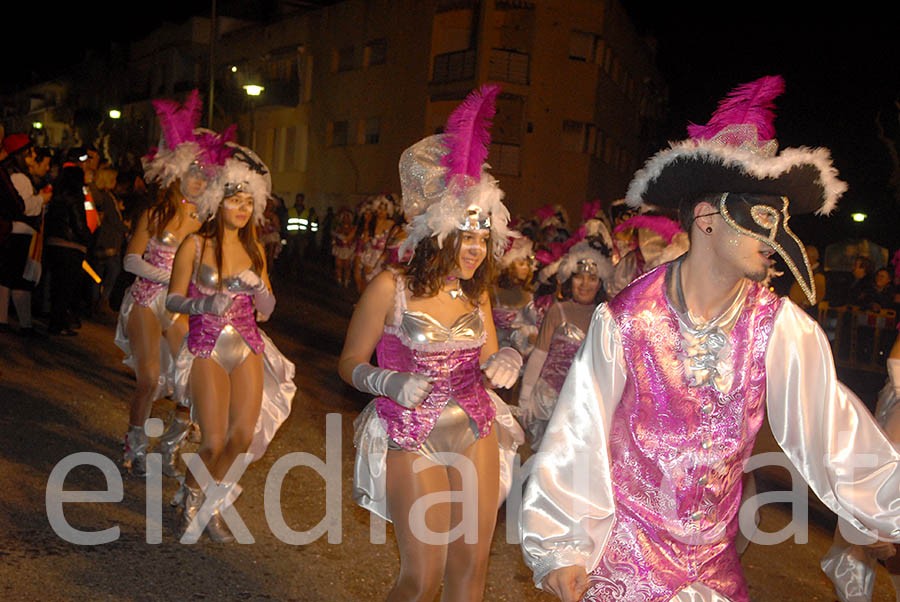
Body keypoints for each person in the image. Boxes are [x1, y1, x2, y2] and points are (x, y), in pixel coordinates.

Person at [520, 75, 900, 602]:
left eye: (781, 219)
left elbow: (832, 432)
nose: (776, 240)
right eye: (761, 217)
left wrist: (892, 504)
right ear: (706, 219)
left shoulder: (780, 328)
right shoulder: (626, 321)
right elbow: (576, 434)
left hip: (712, 566)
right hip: (626, 563)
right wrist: (562, 546)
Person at [340, 85, 524, 600]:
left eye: (483, 237)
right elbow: (348, 362)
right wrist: (386, 379)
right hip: (411, 435)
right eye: (467, 236)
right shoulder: (389, 288)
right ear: (437, 234)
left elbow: (489, 357)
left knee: (472, 567)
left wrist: (507, 355)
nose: (476, 248)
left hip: (475, 428)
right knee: (422, 577)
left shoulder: (477, 292)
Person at [167, 142, 295, 542]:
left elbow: (268, 311)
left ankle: (210, 504)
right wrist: (204, 301)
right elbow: (172, 299)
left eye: (247, 202)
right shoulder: (195, 245)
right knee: (214, 440)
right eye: (233, 200)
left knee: (242, 437)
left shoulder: (254, 249)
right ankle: (190, 494)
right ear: (216, 201)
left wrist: (259, 290)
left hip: (247, 347)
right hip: (206, 346)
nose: (241, 209)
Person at [115, 90, 230, 477]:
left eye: (204, 175)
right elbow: (131, 259)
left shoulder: (205, 225)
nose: (198, 181)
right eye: (193, 173)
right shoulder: (154, 212)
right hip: (147, 300)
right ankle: (133, 443)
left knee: (189, 381)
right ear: (178, 172)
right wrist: (169, 276)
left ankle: (170, 445)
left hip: (182, 306)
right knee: (149, 379)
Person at [516, 240, 611, 449]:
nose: (585, 284)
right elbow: (539, 355)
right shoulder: (556, 311)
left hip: (585, 405)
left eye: (592, 278)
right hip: (549, 402)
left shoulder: (605, 316)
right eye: (579, 277)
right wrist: (525, 398)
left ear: (600, 283)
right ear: (570, 279)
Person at [0, 134, 52, 336]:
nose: (33, 157)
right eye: (30, 153)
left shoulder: (15, 174)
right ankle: (19, 323)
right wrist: (41, 199)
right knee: (16, 278)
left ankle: (16, 322)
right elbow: (24, 208)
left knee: (11, 277)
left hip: (19, 232)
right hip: (19, 232)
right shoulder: (19, 177)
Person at [43, 161, 91, 336]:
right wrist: (87, 238)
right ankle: (59, 323)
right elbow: (79, 224)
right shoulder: (75, 198)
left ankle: (55, 321)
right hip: (71, 246)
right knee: (67, 288)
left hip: (54, 244)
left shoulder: (56, 197)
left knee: (57, 285)